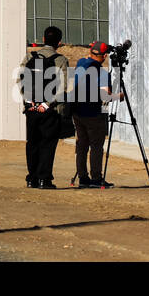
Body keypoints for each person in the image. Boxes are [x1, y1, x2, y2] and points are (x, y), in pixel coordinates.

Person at [18, 26, 69, 189]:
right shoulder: (60, 60)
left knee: (32, 143)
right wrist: (47, 104)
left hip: (31, 108)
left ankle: (31, 179)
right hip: (50, 110)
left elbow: (20, 79)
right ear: (59, 43)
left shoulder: (29, 57)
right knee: (47, 144)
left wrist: (28, 101)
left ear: (43, 39)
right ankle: (44, 179)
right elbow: (63, 87)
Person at [72, 42, 120, 189]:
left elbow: (88, 57)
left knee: (82, 145)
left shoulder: (81, 63)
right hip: (93, 113)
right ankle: (96, 178)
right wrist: (120, 96)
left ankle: (83, 177)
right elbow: (106, 97)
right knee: (96, 146)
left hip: (77, 111)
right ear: (105, 56)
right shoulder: (102, 73)